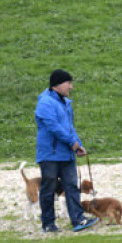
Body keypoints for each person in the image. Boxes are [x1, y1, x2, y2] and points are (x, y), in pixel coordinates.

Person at [35, 69, 99, 233]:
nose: (71, 87)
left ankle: (78, 219)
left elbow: (69, 128)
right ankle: (48, 224)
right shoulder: (45, 103)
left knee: (71, 186)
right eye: (68, 83)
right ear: (57, 84)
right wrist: (73, 143)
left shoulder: (65, 103)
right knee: (48, 189)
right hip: (49, 154)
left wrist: (78, 145)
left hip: (66, 153)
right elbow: (54, 128)